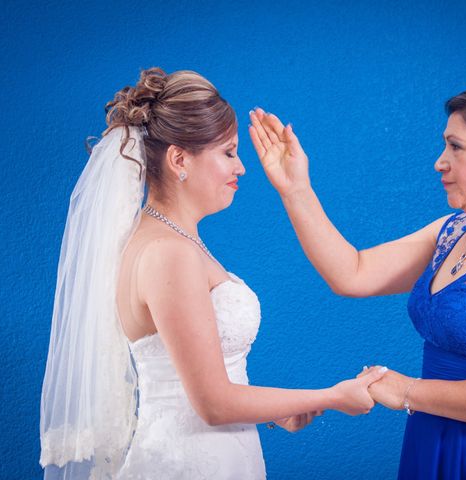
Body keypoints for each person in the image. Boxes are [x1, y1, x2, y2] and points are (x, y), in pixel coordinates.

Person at [39, 67, 388, 480]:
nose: (242, 168)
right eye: (228, 152)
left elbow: (191, 380)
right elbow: (213, 404)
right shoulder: (169, 253)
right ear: (179, 159)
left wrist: (281, 412)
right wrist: (331, 396)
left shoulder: (168, 239)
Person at [249, 79, 466, 479]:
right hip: (429, 437)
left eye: (456, 147)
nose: (440, 162)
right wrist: (295, 188)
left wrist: (406, 390)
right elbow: (351, 273)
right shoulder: (452, 230)